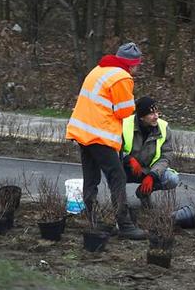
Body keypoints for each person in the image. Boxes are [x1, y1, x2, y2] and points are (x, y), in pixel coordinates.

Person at [65, 41, 146, 240]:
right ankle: (124, 224)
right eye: (137, 65)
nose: (137, 68)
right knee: (117, 176)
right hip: (100, 134)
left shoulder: (98, 70)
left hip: (83, 132)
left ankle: (93, 221)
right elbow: (124, 111)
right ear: (132, 64)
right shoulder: (122, 77)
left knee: (91, 177)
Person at [121, 96, 180, 213]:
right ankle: (120, 205)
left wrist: (152, 175)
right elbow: (114, 148)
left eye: (157, 112)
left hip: (150, 170)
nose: (156, 116)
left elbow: (166, 156)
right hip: (127, 169)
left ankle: (143, 193)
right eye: (151, 113)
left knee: (172, 179)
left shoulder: (163, 127)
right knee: (113, 174)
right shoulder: (124, 124)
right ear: (142, 117)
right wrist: (128, 159)